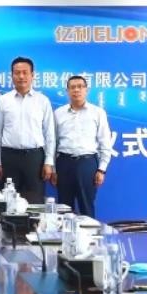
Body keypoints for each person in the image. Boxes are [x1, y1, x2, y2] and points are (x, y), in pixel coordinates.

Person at [0, 57, 55, 204]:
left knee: (35, 202)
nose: (21, 76)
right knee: (8, 202)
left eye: (25, 72)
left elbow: (49, 133)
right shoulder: (3, 101)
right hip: (9, 158)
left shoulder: (43, 101)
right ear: (12, 76)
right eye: (17, 73)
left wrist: (48, 162)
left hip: (34, 158)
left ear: (32, 75)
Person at [51, 75, 112, 218]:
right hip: (64, 163)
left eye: (80, 87)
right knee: (64, 209)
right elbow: (53, 143)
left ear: (86, 90)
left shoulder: (98, 113)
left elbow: (105, 143)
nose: (76, 90)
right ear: (67, 91)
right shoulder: (58, 114)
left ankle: (90, 233)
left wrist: (101, 169)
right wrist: (53, 169)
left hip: (87, 164)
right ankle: (65, 232)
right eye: (72, 87)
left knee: (87, 207)